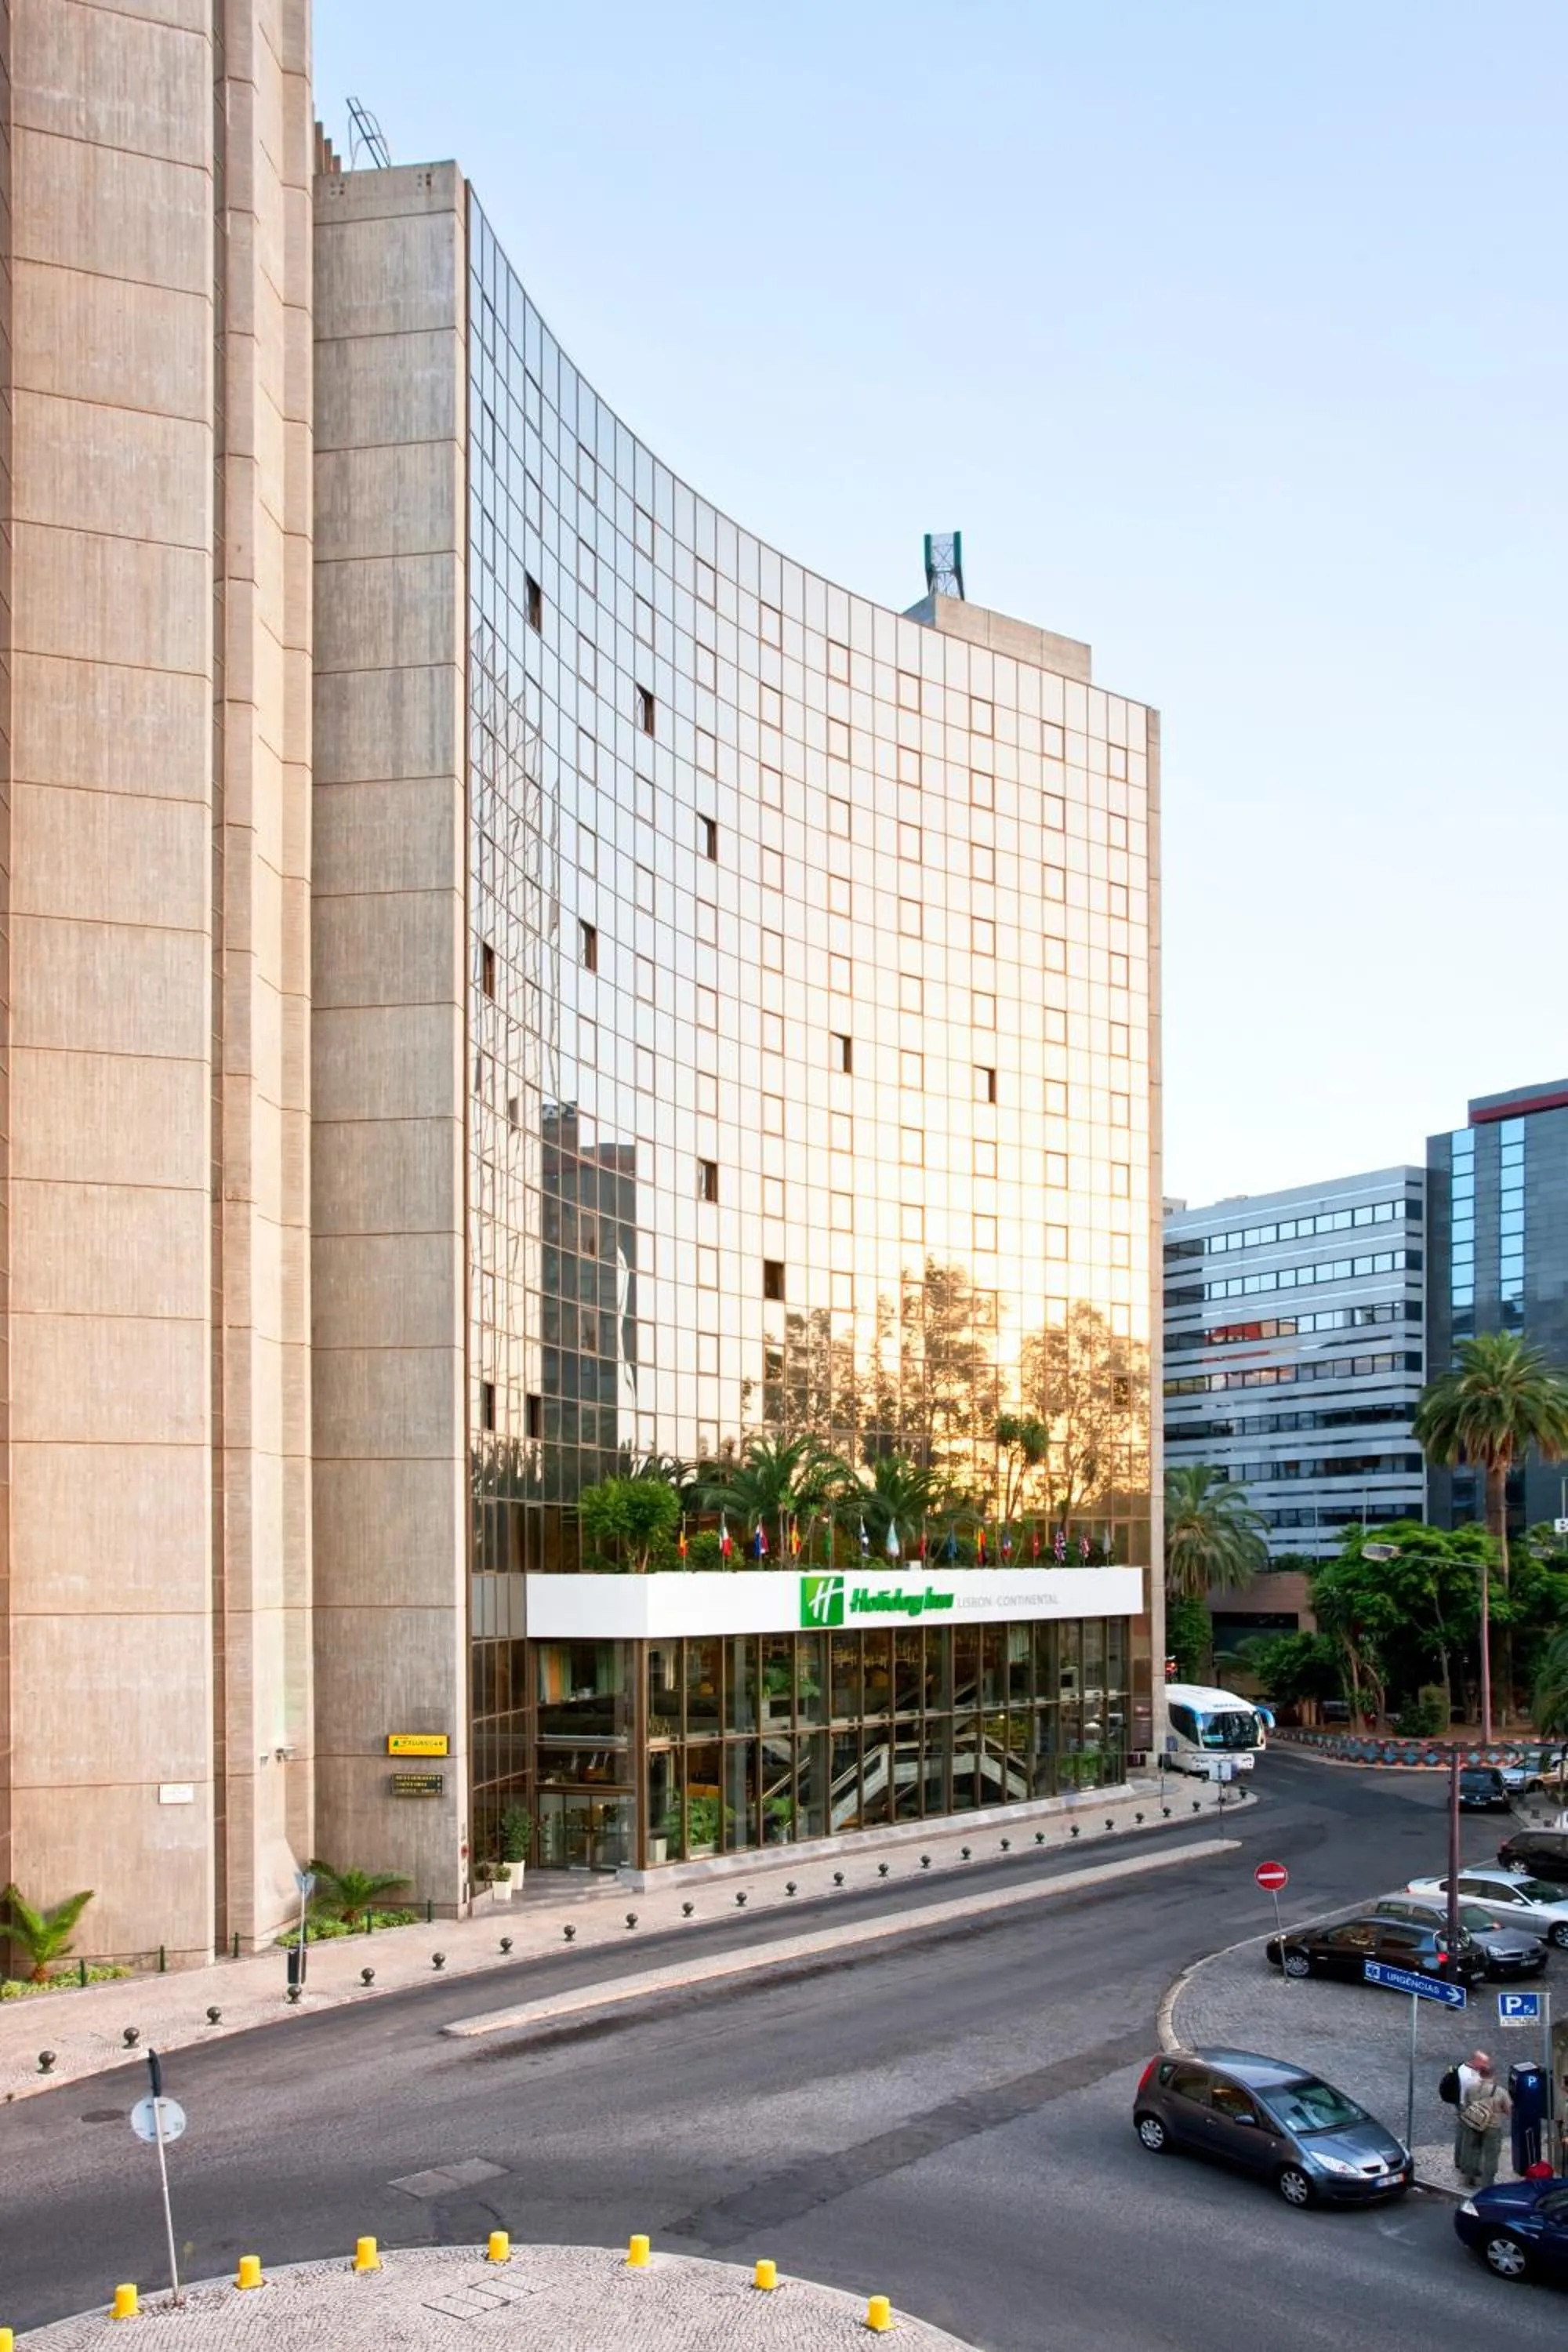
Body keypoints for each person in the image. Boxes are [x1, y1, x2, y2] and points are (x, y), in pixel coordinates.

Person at [1454, 2053, 1512, 2189]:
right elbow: (1508, 2110)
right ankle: (1488, 2184)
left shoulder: (1471, 2088)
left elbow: (1467, 2103)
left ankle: (1469, 2179)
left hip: (1473, 2123)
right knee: (1491, 2155)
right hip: (1492, 2127)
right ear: (1493, 2075)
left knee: (1472, 2150)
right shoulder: (1500, 2092)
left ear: (1480, 2074)